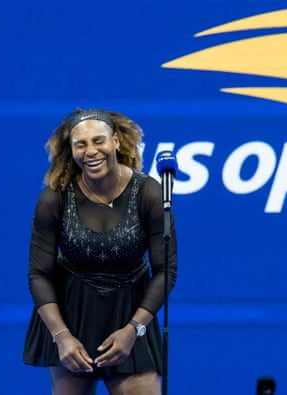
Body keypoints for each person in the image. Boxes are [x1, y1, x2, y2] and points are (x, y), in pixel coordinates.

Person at [23, 109, 177, 395]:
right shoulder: (54, 198)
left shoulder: (149, 193)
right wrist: (61, 336)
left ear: (116, 142)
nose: (91, 151)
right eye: (81, 144)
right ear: (71, 150)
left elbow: (166, 270)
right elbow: (39, 274)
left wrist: (134, 329)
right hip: (70, 315)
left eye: (99, 141)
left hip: (132, 312)